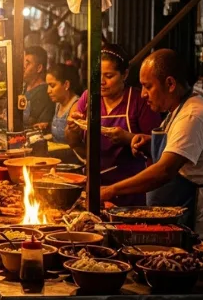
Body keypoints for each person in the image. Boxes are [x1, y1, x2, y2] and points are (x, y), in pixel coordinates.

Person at [101, 50, 203, 240]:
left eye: (148, 86)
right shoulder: (177, 109)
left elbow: (164, 170)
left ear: (170, 84)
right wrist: (147, 142)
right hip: (174, 217)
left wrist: (110, 190)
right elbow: (176, 148)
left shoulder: (192, 115)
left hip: (195, 226)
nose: (144, 94)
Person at [66, 43, 161, 206]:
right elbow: (72, 142)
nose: (101, 82)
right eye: (97, 75)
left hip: (130, 191)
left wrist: (127, 138)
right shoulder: (88, 98)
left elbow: (157, 149)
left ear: (124, 74)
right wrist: (73, 129)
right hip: (93, 187)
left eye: (109, 76)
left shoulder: (140, 101)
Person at [37, 64, 80, 144]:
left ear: (66, 85)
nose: (48, 91)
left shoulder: (76, 106)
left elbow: (74, 142)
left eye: (52, 85)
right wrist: (48, 126)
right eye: (48, 86)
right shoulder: (58, 103)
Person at [23, 46, 54, 127]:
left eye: (27, 63)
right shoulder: (23, 87)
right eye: (23, 62)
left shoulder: (44, 92)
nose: (23, 66)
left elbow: (33, 124)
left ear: (39, 68)